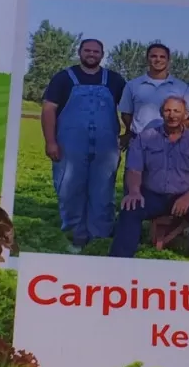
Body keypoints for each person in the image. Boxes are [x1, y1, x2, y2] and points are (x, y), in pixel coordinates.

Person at [41, 39, 126, 253]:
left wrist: (129, 134)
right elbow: (49, 109)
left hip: (105, 149)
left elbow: (128, 109)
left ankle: (100, 238)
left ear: (102, 54)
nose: (91, 54)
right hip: (69, 146)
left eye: (96, 51)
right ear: (79, 52)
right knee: (69, 190)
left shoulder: (115, 80)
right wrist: (50, 141)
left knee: (103, 193)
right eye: (87, 50)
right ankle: (74, 236)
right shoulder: (63, 78)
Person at [109, 97, 189, 258]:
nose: (172, 115)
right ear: (161, 114)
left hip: (187, 196)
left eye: (176, 111)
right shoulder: (145, 138)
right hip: (154, 195)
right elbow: (134, 170)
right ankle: (120, 261)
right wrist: (135, 192)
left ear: (186, 115)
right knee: (130, 207)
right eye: (167, 110)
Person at [118, 42, 189, 144]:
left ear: (168, 60)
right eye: (153, 56)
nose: (158, 59)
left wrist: (175, 134)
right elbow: (126, 114)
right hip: (139, 141)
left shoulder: (181, 87)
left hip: (171, 143)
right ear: (147, 59)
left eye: (162, 57)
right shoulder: (132, 85)